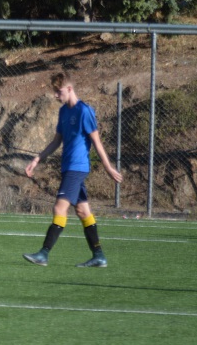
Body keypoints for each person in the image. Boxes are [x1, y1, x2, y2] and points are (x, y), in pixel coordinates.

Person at [23, 71, 123, 267]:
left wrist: (108, 168)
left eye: (58, 91)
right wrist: (37, 160)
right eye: (54, 91)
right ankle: (99, 256)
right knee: (83, 211)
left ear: (69, 89)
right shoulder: (63, 112)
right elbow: (56, 141)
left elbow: (97, 142)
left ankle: (43, 254)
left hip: (77, 168)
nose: (56, 95)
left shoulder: (84, 111)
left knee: (59, 208)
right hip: (68, 167)